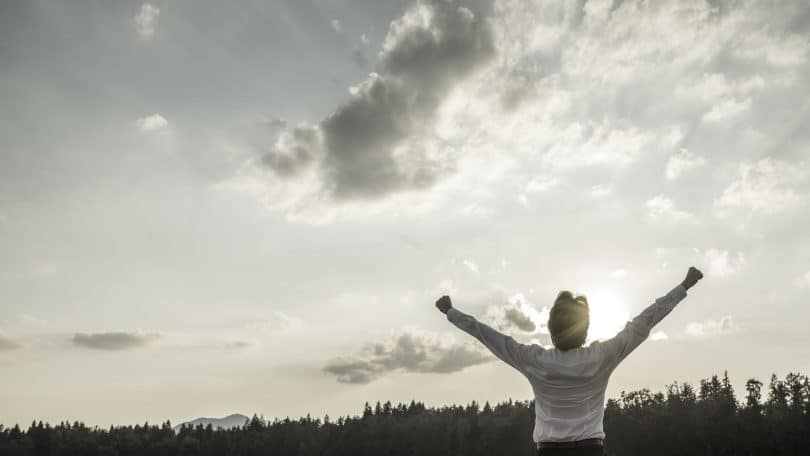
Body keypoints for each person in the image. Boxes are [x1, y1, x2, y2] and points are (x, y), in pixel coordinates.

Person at [435, 266, 704, 456]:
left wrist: (451, 312)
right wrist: (682, 287)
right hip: (591, 450)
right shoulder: (600, 357)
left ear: (552, 328)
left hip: (550, 451)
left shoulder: (534, 360)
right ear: (585, 330)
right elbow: (643, 323)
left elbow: (488, 335)